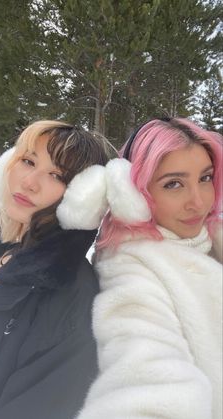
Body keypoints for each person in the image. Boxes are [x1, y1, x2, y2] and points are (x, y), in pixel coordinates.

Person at [77, 118, 222, 419]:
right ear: (135, 192)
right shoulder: (130, 267)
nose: (198, 202)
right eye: (173, 184)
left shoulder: (212, 235)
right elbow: (144, 373)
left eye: (205, 178)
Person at [0, 120, 114, 419]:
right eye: (28, 160)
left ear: (82, 198)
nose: (29, 181)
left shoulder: (71, 298)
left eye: (57, 175)